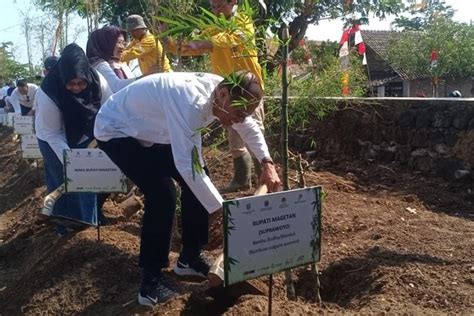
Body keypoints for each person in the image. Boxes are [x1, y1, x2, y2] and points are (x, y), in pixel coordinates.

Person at [94, 70, 280, 306]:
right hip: (117, 130)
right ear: (222, 95)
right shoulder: (190, 102)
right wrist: (225, 213)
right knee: (162, 194)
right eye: (237, 113)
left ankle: (189, 259)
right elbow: (187, 166)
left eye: (243, 114)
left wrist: (266, 162)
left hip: (155, 130)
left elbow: (247, 125)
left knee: (201, 181)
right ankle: (150, 284)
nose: (237, 120)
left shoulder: (224, 93)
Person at [166, 0, 265, 193]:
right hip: (227, 93)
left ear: (233, 2)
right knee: (235, 136)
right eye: (213, 7)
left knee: (254, 131)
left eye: (220, 6)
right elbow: (193, 46)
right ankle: (241, 180)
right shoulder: (212, 28)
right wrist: (170, 44)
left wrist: (208, 43)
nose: (216, 10)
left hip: (248, 91)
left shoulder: (243, 20)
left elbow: (234, 38)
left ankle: (265, 178)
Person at [35, 43, 113, 232]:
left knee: (86, 182)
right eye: (71, 83)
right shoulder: (49, 91)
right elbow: (53, 133)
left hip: (86, 134)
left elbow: (109, 112)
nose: (76, 88)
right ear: (63, 78)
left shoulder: (99, 82)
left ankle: (85, 228)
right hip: (50, 136)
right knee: (61, 179)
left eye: (81, 83)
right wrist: (72, 161)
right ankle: (63, 228)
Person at [86, 25, 136, 92]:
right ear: (105, 43)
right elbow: (117, 87)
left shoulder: (121, 64)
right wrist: (145, 77)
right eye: (119, 42)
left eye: (123, 43)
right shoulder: (99, 65)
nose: (122, 47)